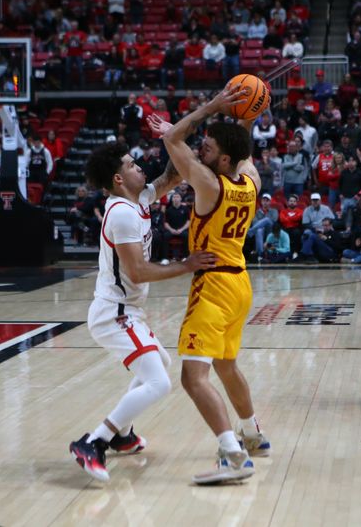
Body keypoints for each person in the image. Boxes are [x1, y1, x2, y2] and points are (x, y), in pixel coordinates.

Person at [68, 143, 215, 482]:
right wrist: (186, 265)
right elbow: (137, 272)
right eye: (133, 165)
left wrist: (183, 140)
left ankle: (122, 433)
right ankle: (94, 441)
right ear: (119, 178)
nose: (140, 168)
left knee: (159, 365)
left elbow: (170, 176)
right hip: (114, 313)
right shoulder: (120, 212)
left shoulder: (140, 199)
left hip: (126, 308)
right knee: (159, 383)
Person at [153, 87, 270, 484]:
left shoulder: (208, 183)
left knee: (193, 378)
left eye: (207, 147)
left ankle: (232, 455)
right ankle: (252, 433)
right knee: (226, 365)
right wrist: (245, 114)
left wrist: (215, 106)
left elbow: (172, 139)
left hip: (214, 286)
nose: (200, 150)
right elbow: (243, 148)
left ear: (222, 159)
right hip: (240, 285)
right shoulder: (249, 180)